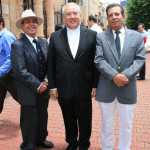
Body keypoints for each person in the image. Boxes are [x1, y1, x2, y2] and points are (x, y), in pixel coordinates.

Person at [47, 2, 99, 150]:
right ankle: (72, 142)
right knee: (68, 117)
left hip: (85, 85)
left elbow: (96, 62)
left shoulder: (92, 35)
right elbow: (51, 63)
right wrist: (53, 86)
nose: (72, 17)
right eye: (68, 14)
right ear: (63, 17)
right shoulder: (55, 37)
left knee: (85, 118)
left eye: (75, 13)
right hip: (64, 87)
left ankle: (83, 143)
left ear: (80, 16)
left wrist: (95, 85)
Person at [94, 3, 146, 150]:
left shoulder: (136, 37)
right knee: (107, 125)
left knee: (126, 126)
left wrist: (125, 76)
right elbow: (99, 59)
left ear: (123, 16)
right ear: (107, 18)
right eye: (110, 15)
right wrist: (114, 75)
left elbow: (140, 59)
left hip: (127, 87)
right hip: (106, 87)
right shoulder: (100, 37)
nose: (113, 17)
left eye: (117, 14)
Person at [11, 9, 54, 150]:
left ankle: (41, 139)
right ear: (22, 26)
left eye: (34, 21)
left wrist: (46, 81)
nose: (31, 24)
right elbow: (20, 71)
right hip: (28, 89)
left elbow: (49, 64)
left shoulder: (43, 42)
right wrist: (37, 84)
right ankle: (28, 144)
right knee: (29, 119)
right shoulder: (18, 45)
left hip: (44, 89)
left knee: (42, 116)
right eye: (27, 21)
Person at [0, 15, 18, 113]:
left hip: (9, 75)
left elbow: (11, 57)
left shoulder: (7, 36)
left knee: (21, 98)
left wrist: (1, 72)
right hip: (1, 75)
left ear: (1, 23)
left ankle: (33, 119)